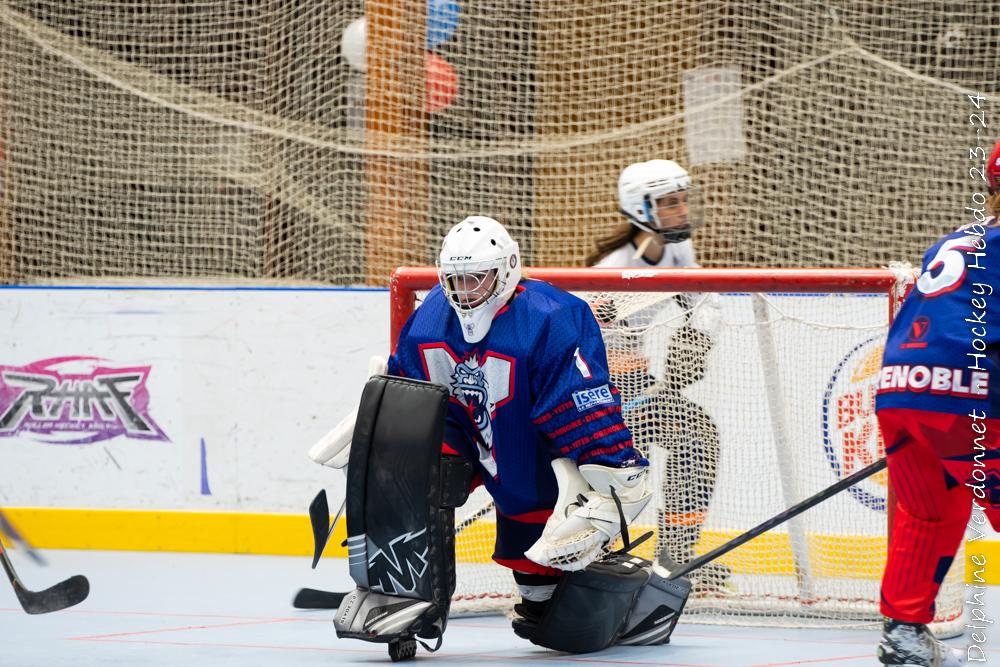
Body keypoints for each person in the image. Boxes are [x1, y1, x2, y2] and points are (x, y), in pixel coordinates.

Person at [311, 216, 689, 654]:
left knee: (542, 609)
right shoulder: (434, 315)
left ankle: (615, 595)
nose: (465, 291)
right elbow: (410, 388)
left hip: (527, 451)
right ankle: (404, 589)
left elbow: (579, 400)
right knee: (403, 472)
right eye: (455, 280)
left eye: (477, 278)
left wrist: (615, 464)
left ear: (507, 268)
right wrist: (383, 432)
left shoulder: (551, 316)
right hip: (463, 430)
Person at [873, 141, 1000, 666]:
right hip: (966, 399)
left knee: (927, 513)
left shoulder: (956, 239)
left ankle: (903, 635)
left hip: (900, 389)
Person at [585, 159, 727, 592]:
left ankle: (676, 557)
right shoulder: (610, 271)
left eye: (683, 200)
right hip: (601, 395)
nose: (681, 210)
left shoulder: (677, 250)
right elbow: (581, 347)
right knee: (618, 472)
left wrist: (695, 343)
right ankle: (597, 556)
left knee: (698, 436)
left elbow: (704, 304)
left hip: (642, 388)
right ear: (641, 209)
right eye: (669, 203)